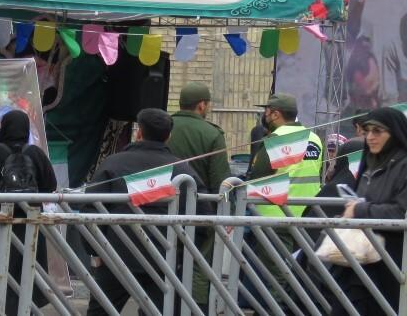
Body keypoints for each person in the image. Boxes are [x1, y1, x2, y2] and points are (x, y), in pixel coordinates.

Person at [86, 108, 208, 315]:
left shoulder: (113, 164)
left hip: (116, 254)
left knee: (100, 312)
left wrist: (96, 250)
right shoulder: (182, 170)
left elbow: (90, 209)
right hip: (164, 260)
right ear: (169, 136)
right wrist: (180, 252)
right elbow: (204, 218)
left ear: (139, 132)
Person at [0, 109, 57, 316]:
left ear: (3, 127)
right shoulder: (35, 154)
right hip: (28, 224)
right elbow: (50, 184)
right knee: (26, 269)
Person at [243, 94, 322, 309]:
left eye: (267, 111)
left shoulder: (275, 140)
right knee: (297, 272)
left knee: (275, 276)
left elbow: (257, 177)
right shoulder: (314, 138)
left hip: (275, 217)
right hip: (306, 217)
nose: (264, 115)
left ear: (275, 114)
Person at [331, 108, 407, 315]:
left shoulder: (403, 166)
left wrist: (359, 209)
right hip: (362, 256)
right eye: (367, 131)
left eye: (377, 131)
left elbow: (401, 212)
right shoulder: (370, 163)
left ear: (394, 133)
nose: (370, 137)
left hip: (391, 261)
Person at [166, 83, 230, 310]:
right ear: (202, 105)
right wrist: (226, 214)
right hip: (200, 212)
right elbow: (222, 181)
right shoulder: (212, 134)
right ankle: (195, 309)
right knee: (199, 265)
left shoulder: (165, 127)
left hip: (163, 208)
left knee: (165, 260)